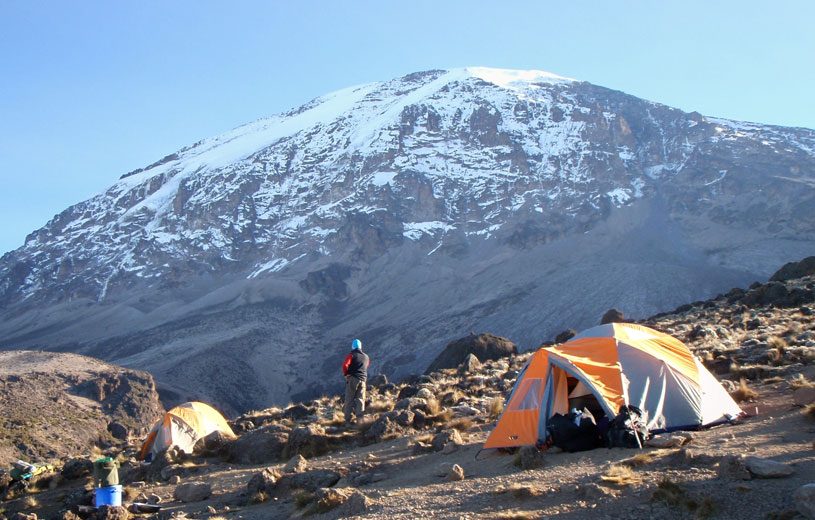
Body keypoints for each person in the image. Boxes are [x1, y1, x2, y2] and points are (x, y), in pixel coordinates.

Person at [342, 338, 370, 425]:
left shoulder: (351, 355)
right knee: (360, 399)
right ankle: (360, 420)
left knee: (349, 399)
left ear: (353, 347)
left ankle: (347, 420)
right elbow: (367, 365)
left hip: (353, 379)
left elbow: (345, 365)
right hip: (363, 380)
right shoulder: (366, 357)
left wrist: (346, 374)